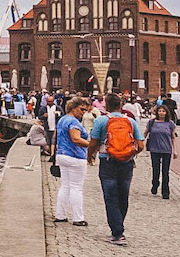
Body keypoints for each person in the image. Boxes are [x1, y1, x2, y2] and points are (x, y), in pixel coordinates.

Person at [89, 92, 146, 246]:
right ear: (121, 105)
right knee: (123, 195)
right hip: (126, 164)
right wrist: (129, 154)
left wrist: (90, 156)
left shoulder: (101, 120)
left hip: (108, 162)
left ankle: (117, 232)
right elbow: (141, 145)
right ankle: (119, 225)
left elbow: (93, 142)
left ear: (106, 105)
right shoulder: (131, 121)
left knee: (110, 196)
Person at [53, 96, 92, 226]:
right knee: (76, 188)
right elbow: (75, 139)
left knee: (65, 186)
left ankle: (60, 215)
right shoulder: (74, 122)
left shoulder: (62, 120)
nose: (83, 112)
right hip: (75, 157)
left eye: (85, 110)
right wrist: (90, 145)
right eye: (81, 109)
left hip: (62, 156)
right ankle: (78, 218)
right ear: (73, 108)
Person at [146, 105, 175, 200]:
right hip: (155, 149)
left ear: (166, 113)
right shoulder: (152, 122)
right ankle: (155, 185)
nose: (161, 113)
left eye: (163, 111)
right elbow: (145, 133)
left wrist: (174, 151)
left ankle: (165, 191)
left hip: (167, 150)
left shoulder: (170, 124)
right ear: (157, 112)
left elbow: (173, 138)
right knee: (156, 169)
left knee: (165, 171)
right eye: (160, 111)